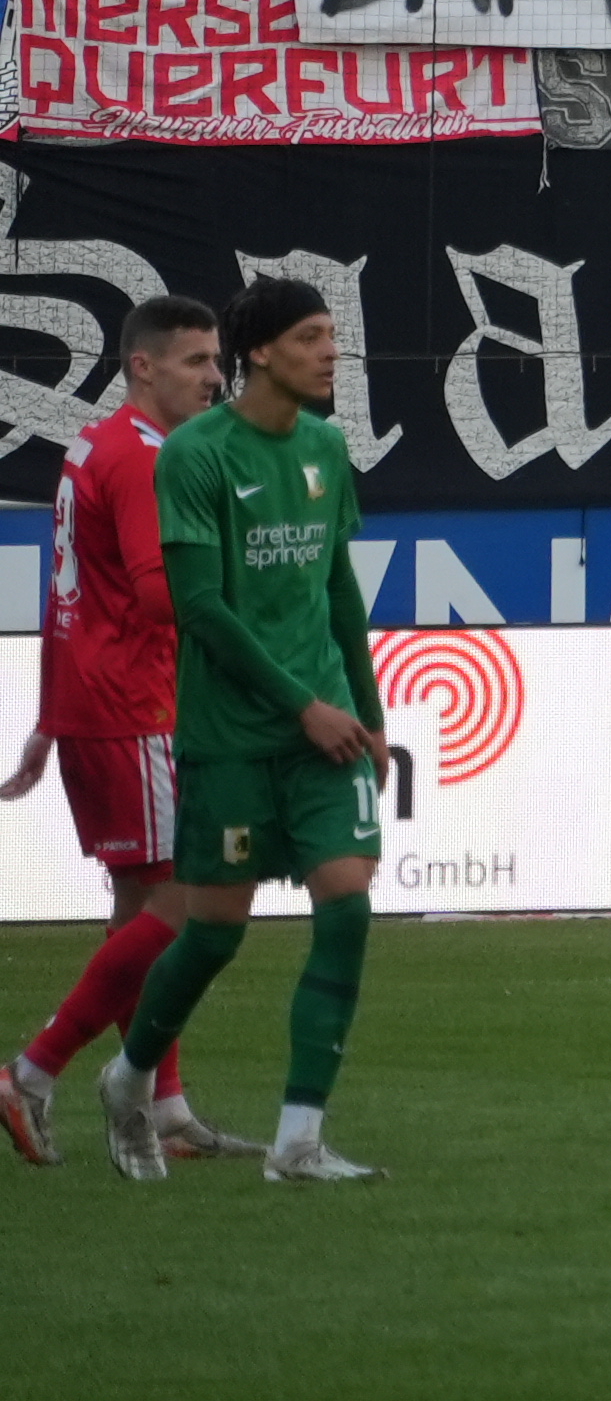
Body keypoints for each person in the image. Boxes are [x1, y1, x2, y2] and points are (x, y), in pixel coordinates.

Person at [95, 280, 390, 1184]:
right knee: (215, 930)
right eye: (311, 337)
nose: (332, 353)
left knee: (346, 903)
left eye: (334, 336)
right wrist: (303, 703)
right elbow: (202, 609)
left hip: (325, 730)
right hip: (230, 734)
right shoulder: (192, 456)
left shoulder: (330, 449)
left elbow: (337, 588)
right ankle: (128, 1075)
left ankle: (299, 1139)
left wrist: (368, 710)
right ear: (261, 352)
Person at [0, 295, 265, 1170]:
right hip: (140, 707)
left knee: (138, 909)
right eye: (196, 361)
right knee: (186, 906)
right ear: (142, 367)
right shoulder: (148, 460)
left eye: (217, 360)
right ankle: (33, 1070)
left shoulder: (94, 444)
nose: (216, 376)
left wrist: (48, 716)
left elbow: (67, 588)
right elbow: (160, 595)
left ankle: (164, 1106)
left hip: (97, 704)